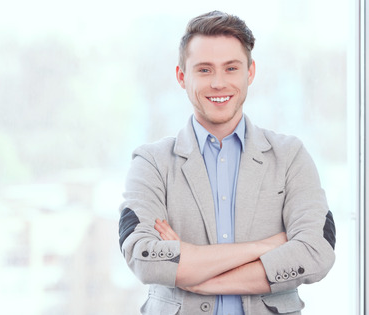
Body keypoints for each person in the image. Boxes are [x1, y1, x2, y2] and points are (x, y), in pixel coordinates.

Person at [118, 10, 336, 315]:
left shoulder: (290, 156)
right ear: (182, 76)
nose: (218, 83)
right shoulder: (151, 162)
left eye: (231, 68)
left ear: (250, 72)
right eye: (204, 70)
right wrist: (267, 246)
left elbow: (316, 253)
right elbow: (143, 258)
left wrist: (196, 274)